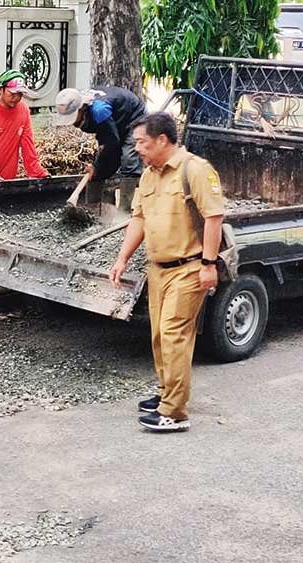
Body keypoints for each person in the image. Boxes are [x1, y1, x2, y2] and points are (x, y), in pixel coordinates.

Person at [109, 112, 225, 433]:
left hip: (188, 267)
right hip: (157, 269)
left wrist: (209, 264)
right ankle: (166, 392)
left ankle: (174, 412)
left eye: (142, 144)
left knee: (174, 334)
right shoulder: (149, 175)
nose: (138, 151)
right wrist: (122, 258)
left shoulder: (195, 170)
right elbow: (139, 220)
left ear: (162, 140)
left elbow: (214, 217)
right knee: (159, 335)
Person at [53, 87, 147, 181]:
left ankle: (129, 190)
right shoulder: (79, 104)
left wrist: (97, 168)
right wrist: (98, 170)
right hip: (116, 117)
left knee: (128, 159)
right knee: (110, 161)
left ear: (81, 109)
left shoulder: (99, 111)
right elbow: (106, 139)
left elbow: (111, 143)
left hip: (133, 115)